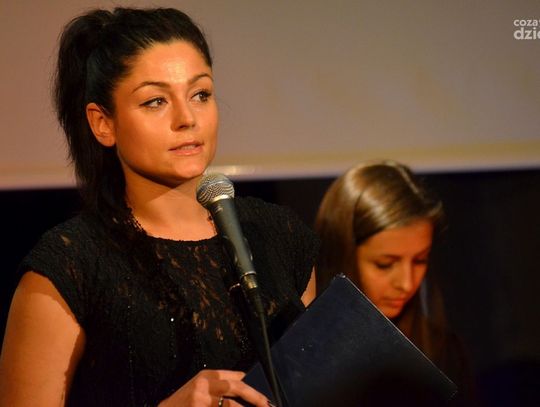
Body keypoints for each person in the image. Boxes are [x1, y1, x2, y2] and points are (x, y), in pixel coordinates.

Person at [0, 7, 318, 407]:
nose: (187, 118)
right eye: (155, 101)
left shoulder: (279, 235)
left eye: (200, 95)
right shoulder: (69, 267)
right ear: (103, 123)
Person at [314, 160, 474, 405]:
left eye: (420, 260)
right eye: (385, 264)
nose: (407, 283)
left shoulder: (443, 351)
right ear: (341, 255)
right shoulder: (295, 350)